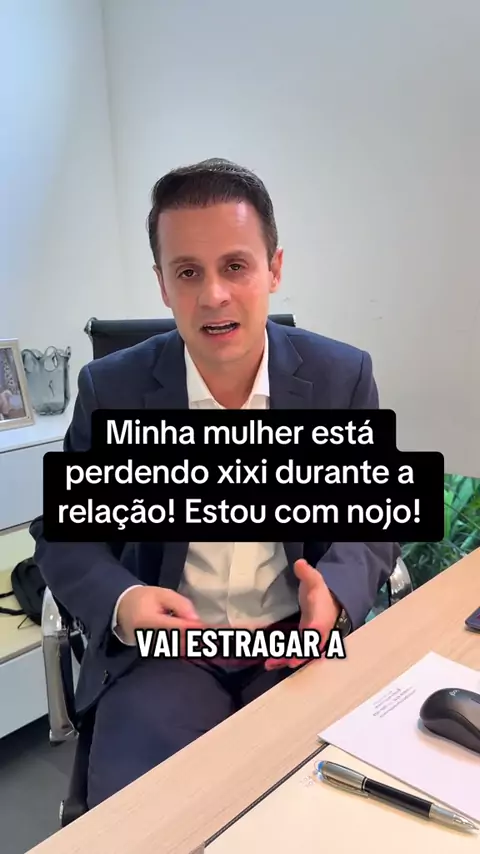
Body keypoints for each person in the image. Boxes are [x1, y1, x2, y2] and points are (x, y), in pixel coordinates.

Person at [30, 158, 400, 808]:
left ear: (273, 269)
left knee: (321, 815)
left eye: (235, 266)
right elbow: (65, 538)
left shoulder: (341, 378)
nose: (214, 295)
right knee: (146, 821)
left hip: (296, 642)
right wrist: (124, 600)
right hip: (165, 653)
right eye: (188, 272)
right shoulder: (112, 390)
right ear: (162, 284)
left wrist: (336, 595)